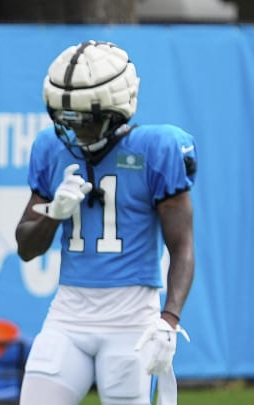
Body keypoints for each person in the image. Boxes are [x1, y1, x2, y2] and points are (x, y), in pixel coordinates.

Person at [15, 40, 197, 405]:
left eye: (85, 118)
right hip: (68, 314)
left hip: (132, 319)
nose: (75, 128)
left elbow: (183, 246)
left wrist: (170, 319)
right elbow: (26, 247)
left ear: (117, 109)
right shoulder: (51, 148)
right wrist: (54, 214)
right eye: (67, 118)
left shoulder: (157, 148)